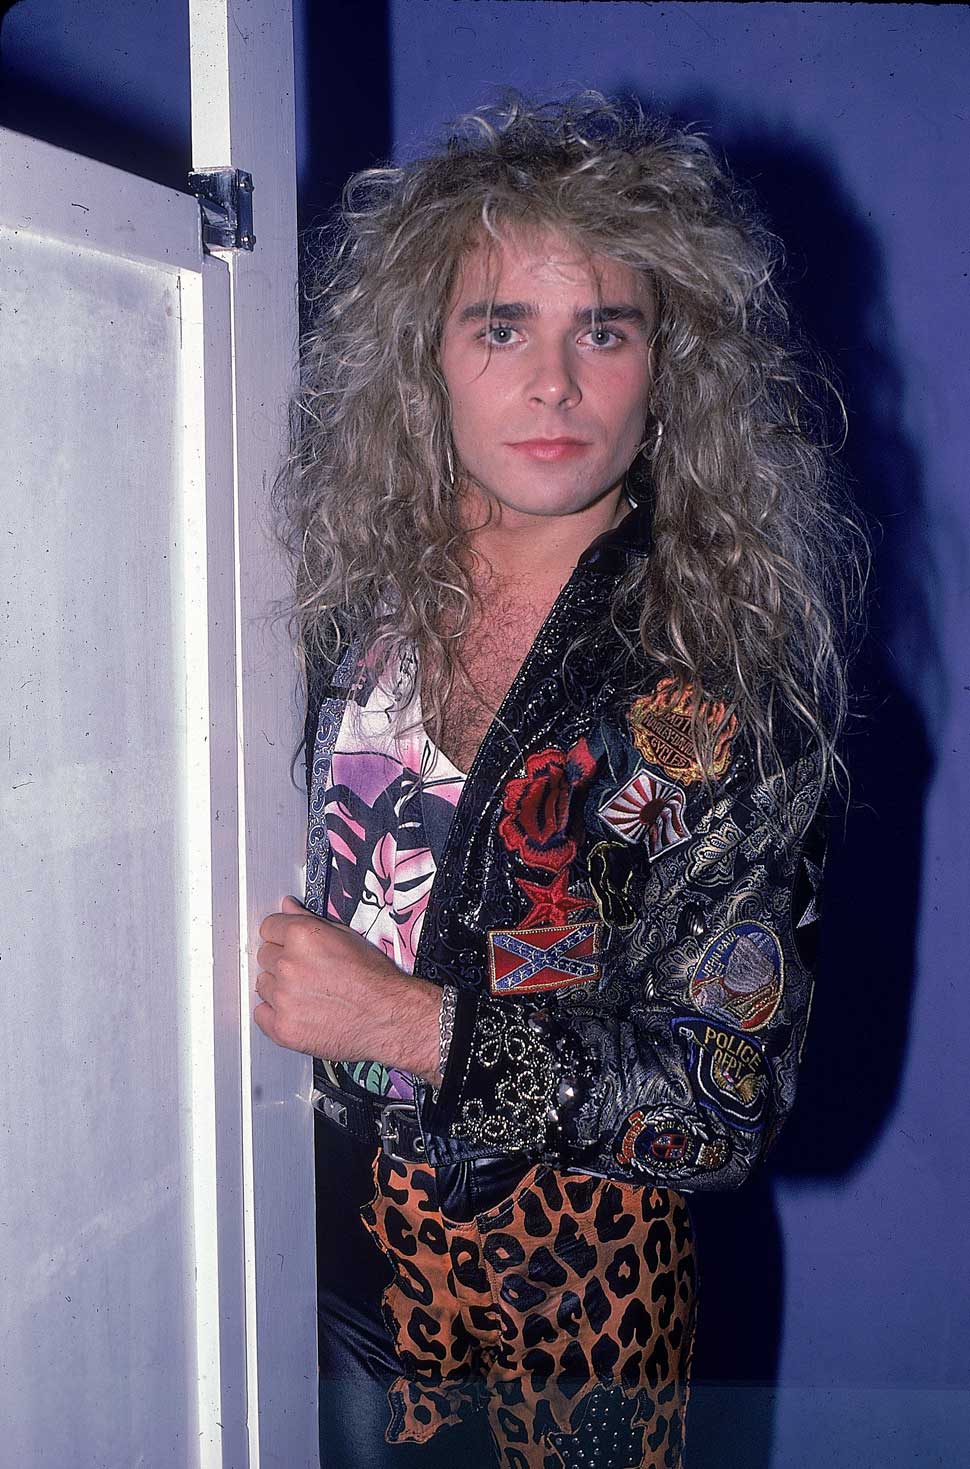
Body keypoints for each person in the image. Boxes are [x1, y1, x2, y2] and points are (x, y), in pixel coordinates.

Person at [254, 93, 860, 1469]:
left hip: (561, 1310)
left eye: (604, 327)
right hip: (293, 1238)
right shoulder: (334, 596)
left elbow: (721, 1096)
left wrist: (416, 1027)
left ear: (666, 364)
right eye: (499, 326)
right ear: (427, 359)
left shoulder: (715, 675)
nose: (554, 384)